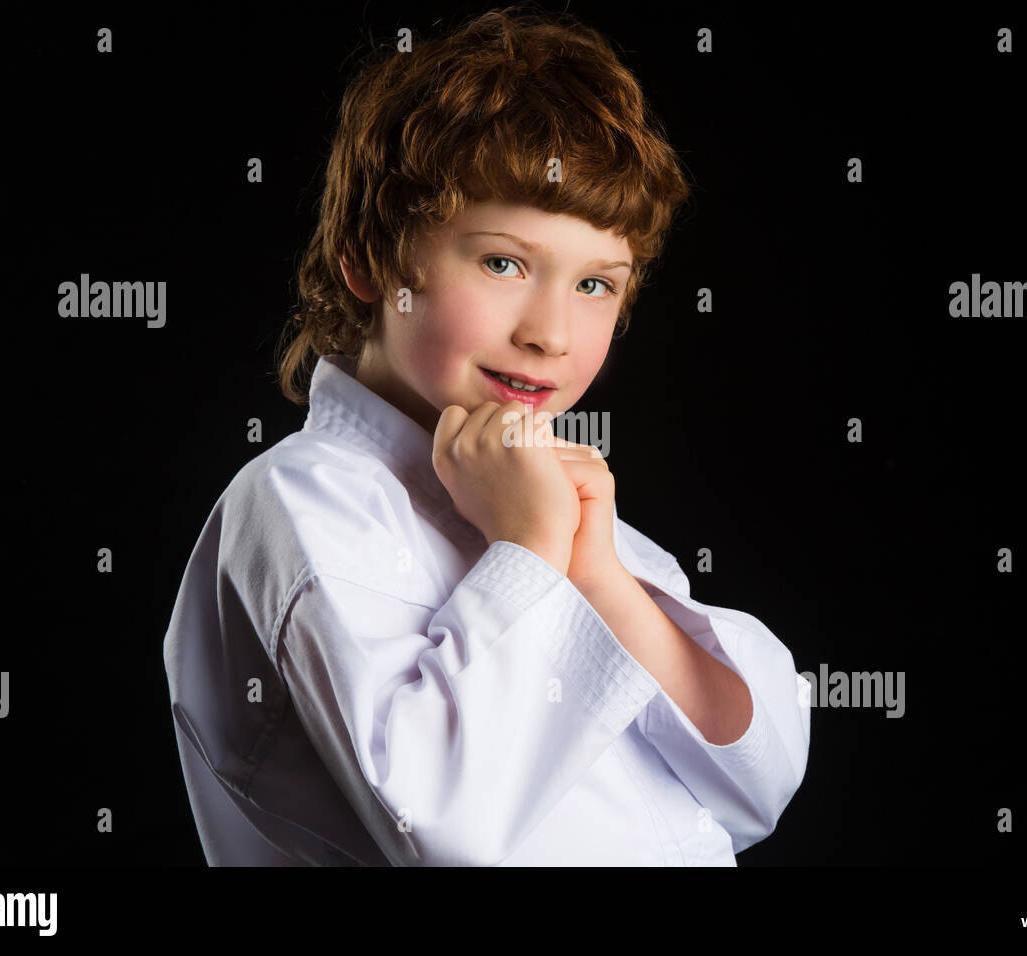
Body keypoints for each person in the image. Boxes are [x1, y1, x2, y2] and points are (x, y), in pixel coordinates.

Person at [162, 5, 811, 866]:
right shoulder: (301, 500)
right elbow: (443, 830)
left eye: (596, 284)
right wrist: (534, 553)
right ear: (372, 257)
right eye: (504, 262)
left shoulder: (552, 500)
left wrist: (599, 577)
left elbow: (757, 785)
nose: (551, 332)